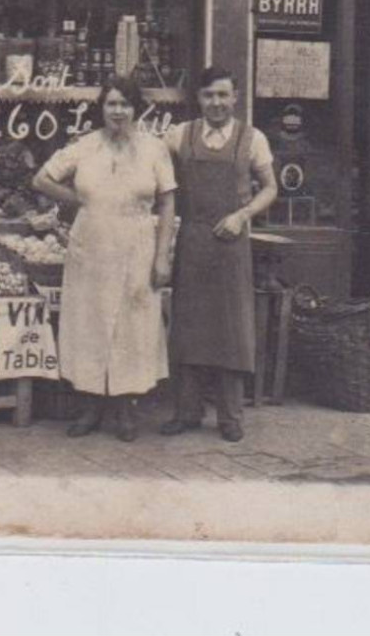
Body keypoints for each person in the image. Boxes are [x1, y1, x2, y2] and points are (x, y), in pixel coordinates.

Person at [32, 75, 176, 442]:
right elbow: (41, 179)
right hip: (91, 247)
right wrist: (77, 200)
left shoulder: (153, 148)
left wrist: (162, 257)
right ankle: (90, 406)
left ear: (136, 109)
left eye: (125, 104)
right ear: (102, 108)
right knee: (90, 324)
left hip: (136, 246)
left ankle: (124, 409)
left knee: (133, 327)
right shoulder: (84, 146)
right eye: (111, 103)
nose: (118, 111)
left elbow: (167, 200)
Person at [160, 66, 279, 443]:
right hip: (193, 243)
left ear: (236, 97)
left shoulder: (252, 138)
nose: (216, 103)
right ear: (198, 98)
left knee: (232, 331)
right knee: (189, 327)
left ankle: (231, 418)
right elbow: (158, 180)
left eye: (223, 95)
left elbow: (271, 187)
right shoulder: (179, 136)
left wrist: (242, 215)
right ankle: (187, 412)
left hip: (231, 245)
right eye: (209, 95)